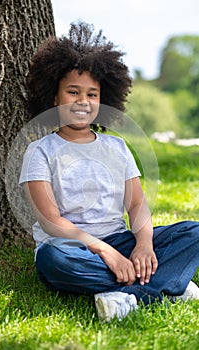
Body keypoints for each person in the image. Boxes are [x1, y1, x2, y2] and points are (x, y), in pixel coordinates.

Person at [19, 22, 199, 321]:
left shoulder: (116, 148)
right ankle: (167, 286)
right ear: (53, 97)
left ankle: (123, 294)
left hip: (120, 241)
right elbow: (51, 221)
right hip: (70, 247)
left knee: (193, 232)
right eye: (73, 92)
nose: (83, 102)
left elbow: (137, 204)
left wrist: (142, 245)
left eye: (92, 94)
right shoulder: (40, 151)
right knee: (54, 261)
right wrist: (107, 253)